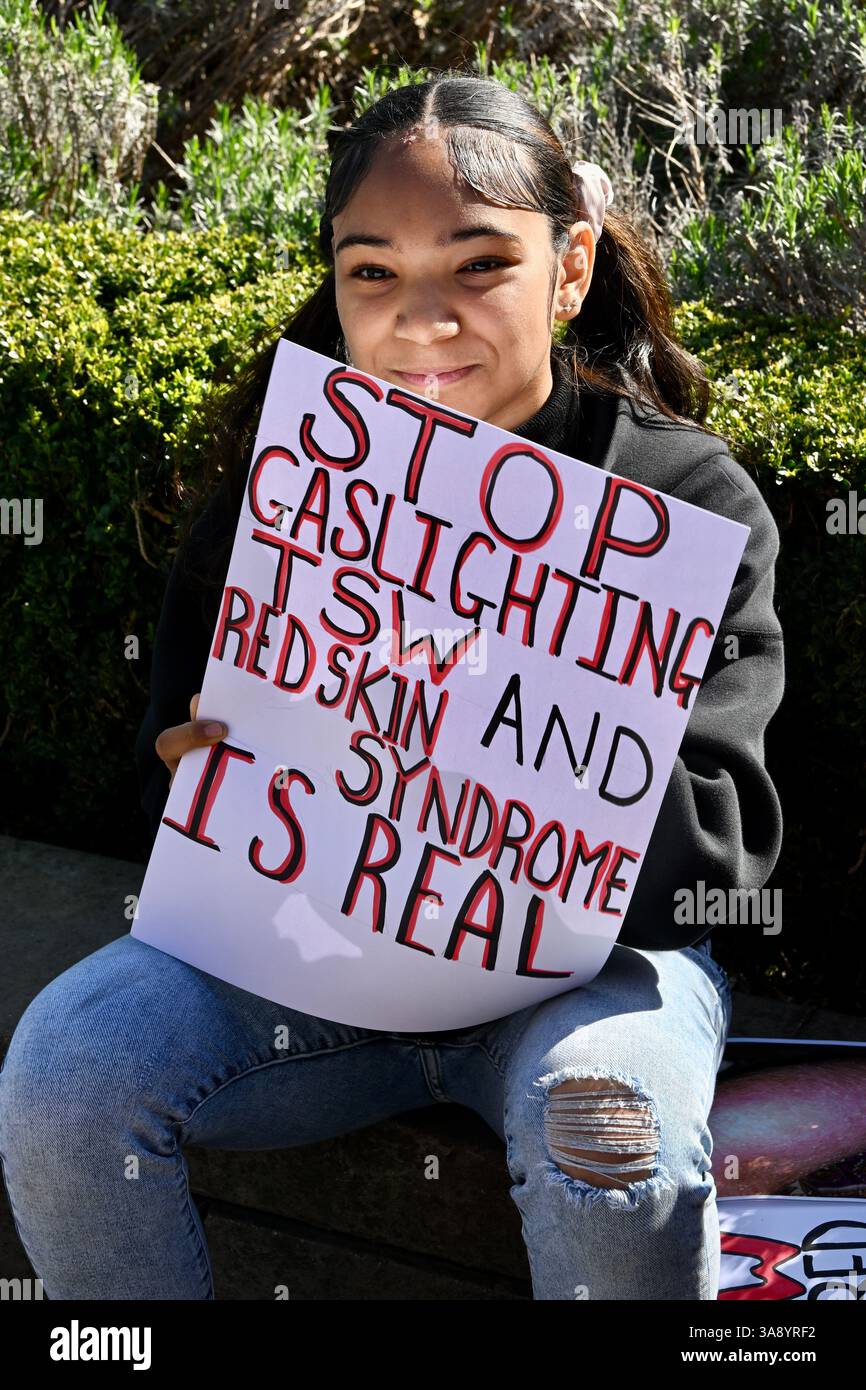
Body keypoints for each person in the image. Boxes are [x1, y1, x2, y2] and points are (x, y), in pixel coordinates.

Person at [0, 72, 784, 1300]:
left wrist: (482, 700)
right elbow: (177, 742)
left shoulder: (682, 502)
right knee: (63, 1065)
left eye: (478, 267)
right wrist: (191, 759)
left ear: (568, 269)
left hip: (582, 984)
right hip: (303, 979)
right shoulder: (299, 468)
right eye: (372, 273)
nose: (421, 322)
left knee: (607, 1131)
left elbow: (719, 858)